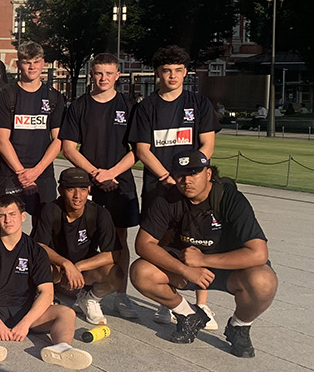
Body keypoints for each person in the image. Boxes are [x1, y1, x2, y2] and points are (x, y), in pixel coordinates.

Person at [130, 150, 276, 358]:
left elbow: (258, 253)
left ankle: (239, 326)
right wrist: (185, 269)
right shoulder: (167, 200)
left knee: (264, 281)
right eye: (180, 175)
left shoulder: (230, 198)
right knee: (141, 272)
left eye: (194, 173)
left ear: (208, 173)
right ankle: (188, 315)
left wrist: (203, 260)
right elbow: (143, 244)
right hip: (185, 268)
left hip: (228, 269)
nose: (186, 180)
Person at [128, 45, 220, 325]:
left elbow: (208, 145)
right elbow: (143, 150)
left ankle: (202, 305)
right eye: (167, 71)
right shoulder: (146, 107)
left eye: (178, 71)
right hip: (160, 186)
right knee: (161, 241)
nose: (173, 76)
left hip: (192, 184)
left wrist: (190, 176)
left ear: (185, 72)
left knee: (197, 240)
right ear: (158, 73)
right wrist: (168, 177)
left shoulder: (199, 104)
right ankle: (167, 302)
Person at [0, 194, 92, 369]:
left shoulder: (35, 250)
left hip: (24, 309)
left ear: (22, 216)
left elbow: (47, 292)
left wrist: (25, 324)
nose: (8, 220)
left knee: (66, 313)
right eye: (2, 215)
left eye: (12, 214)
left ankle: (61, 347)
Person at [59, 52, 139, 319]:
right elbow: (68, 147)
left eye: (109, 73)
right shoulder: (79, 106)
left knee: (119, 239)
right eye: (98, 73)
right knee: (83, 233)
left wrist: (111, 173)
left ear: (118, 76)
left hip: (119, 181)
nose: (103, 78)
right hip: (86, 182)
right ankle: (84, 288)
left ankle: (120, 293)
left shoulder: (129, 105)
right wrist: (95, 173)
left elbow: (138, 149)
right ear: (91, 75)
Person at [33, 168, 123, 324]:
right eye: (70, 189)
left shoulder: (99, 213)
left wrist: (78, 267)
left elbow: (113, 254)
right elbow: (38, 245)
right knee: (41, 266)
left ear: (89, 189)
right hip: (57, 271)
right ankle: (45, 295)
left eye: (83, 189)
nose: (77, 195)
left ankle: (90, 299)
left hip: (82, 274)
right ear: (61, 190)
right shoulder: (50, 210)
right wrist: (66, 264)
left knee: (117, 274)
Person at [0, 41, 65, 219]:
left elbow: (58, 140)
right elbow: (1, 139)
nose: (32, 66)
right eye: (26, 61)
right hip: (11, 173)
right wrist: (22, 173)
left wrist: (36, 171)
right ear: (18, 64)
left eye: (36, 61)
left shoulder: (53, 96)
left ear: (43, 63)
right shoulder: (7, 95)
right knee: (7, 225)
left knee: (45, 229)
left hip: (42, 173)